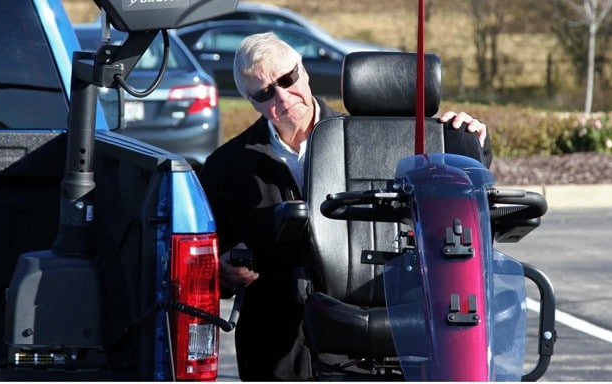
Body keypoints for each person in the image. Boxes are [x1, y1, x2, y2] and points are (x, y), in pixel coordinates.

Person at [197, 32, 492, 381]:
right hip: (275, 346)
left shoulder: (377, 143)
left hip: (366, 337)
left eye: (287, 79)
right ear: (250, 101)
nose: (282, 97)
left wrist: (473, 146)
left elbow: (456, 192)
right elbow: (211, 261)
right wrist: (224, 272)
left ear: (303, 70)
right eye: (264, 93)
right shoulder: (225, 167)